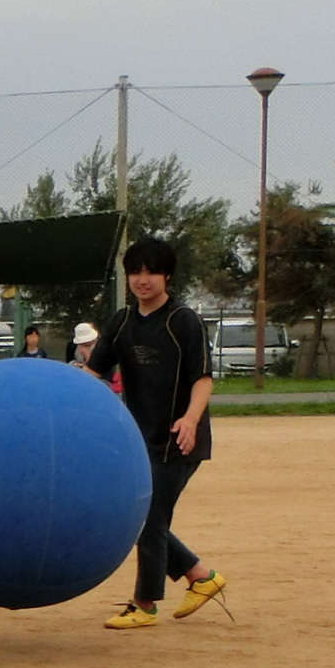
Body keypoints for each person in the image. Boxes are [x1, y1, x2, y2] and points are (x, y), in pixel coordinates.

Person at [85, 237, 227, 629]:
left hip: (181, 439)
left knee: (148, 519)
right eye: (135, 272)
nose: (142, 280)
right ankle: (200, 576)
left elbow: (203, 379)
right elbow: (94, 374)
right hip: (137, 440)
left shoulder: (184, 321)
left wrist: (191, 419)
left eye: (151, 272)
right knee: (142, 517)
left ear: (167, 276)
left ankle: (144, 604)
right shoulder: (122, 322)